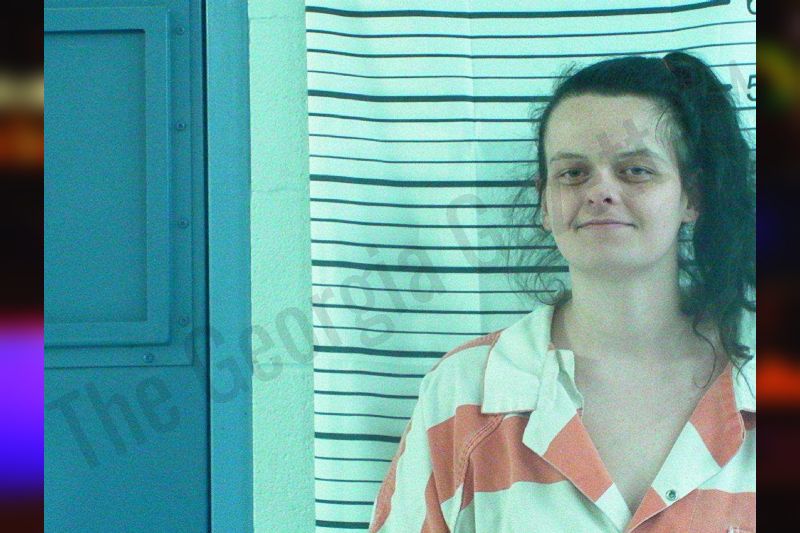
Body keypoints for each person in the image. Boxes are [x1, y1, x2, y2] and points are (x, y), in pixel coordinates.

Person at [368, 52, 756, 533]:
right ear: (545, 205)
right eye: (573, 173)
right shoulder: (463, 392)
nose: (599, 191)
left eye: (636, 170)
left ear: (692, 196)